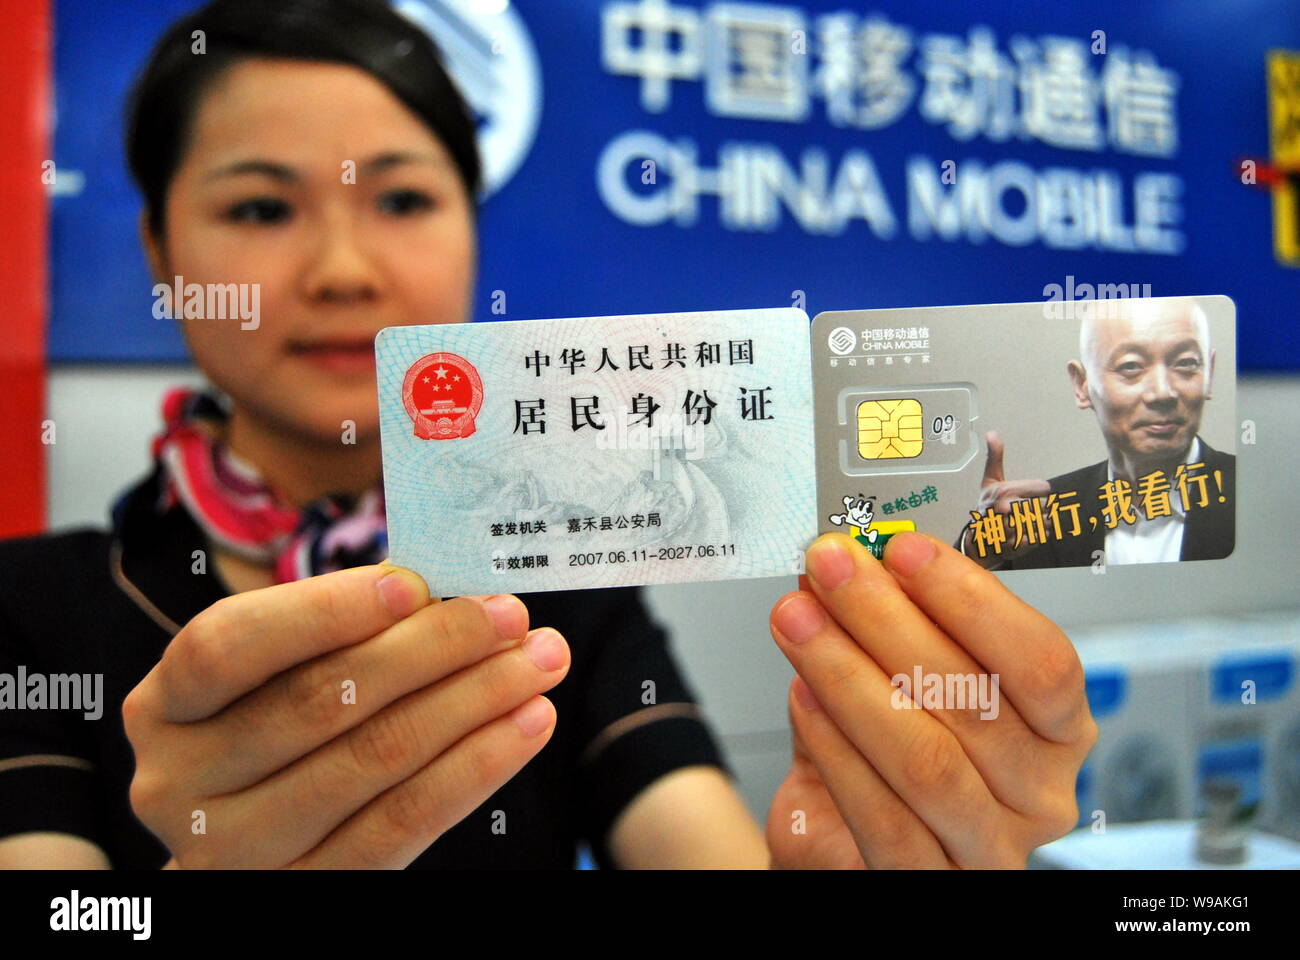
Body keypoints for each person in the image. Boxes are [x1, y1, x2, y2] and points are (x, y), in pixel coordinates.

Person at [0, 0, 1094, 869]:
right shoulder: (32, 611)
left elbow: (693, 834)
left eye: (402, 200)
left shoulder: (557, 571)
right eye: (260, 210)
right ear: (157, 248)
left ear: (473, 232)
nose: (342, 268)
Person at [961, 297, 1235, 570]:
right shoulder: (1040, 516)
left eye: (1185, 363)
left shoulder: (1253, 491)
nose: (1162, 392)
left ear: (1209, 373)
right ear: (1082, 385)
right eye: (1131, 366)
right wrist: (979, 550)